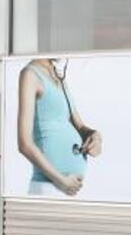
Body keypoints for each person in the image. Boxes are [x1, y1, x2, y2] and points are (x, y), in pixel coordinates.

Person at [17, 58, 102, 197]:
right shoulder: (30, 74)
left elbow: (80, 126)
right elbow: (24, 144)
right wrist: (61, 180)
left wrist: (96, 136)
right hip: (49, 187)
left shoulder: (58, 76)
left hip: (70, 187)